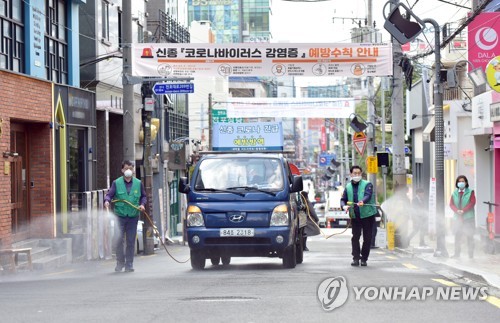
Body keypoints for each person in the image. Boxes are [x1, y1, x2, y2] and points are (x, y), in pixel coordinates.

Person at [104, 160, 147, 272]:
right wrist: (107, 201)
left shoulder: (138, 183)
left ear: (133, 170)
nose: (129, 170)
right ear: (122, 170)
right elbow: (109, 195)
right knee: (118, 240)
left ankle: (129, 264)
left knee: (131, 241)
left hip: (133, 216)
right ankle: (120, 262)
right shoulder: (116, 183)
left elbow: (144, 196)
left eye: (131, 168)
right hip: (120, 216)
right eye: (126, 168)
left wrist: (142, 204)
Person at [341, 165, 377, 267]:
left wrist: (363, 201)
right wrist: (344, 206)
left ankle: (364, 258)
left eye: (359, 173)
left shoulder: (367, 184)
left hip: (367, 216)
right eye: (355, 173)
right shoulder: (348, 187)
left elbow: (368, 195)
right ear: (351, 174)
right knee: (355, 237)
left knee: (368, 238)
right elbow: (343, 199)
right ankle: (356, 258)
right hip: (355, 216)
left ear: (361, 174)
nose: (357, 175)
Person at [449, 175, 476, 259]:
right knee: (457, 236)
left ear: (466, 182)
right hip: (457, 218)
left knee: (469, 236)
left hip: (468, 218)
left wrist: (463, 210)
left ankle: (470, 255)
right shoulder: (454, 193)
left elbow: (472, 203)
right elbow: (451, 204)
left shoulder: (470, 192)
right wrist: (456, 210)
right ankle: (457, 254)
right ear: (457, 183)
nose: (461, 183)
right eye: (459, 181)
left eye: (463, 181)